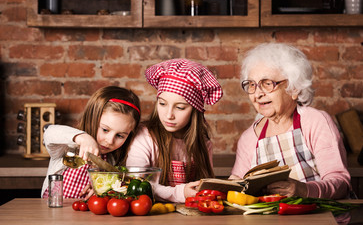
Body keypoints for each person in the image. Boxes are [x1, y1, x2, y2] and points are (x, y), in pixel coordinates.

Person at [230, 43, 351, 200]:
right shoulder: (248, 139)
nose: (258, 94)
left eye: (267, 84)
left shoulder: (315, 122)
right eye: (252, 85)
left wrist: (304, 190)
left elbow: (341, 183)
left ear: (294, 88)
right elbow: (238, 184)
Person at [126, 58, 223, 203]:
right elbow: (135, 183)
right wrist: (181, 192)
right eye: (163, 103)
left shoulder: (203, 143)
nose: (169, 115)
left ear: (195, 110)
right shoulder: (144, 136)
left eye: (180, 107)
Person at [41, 86, 141, 199]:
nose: (110, 140)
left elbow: (117, 188)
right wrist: (83, 138)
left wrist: (102, 190)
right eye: (105, 130)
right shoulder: (67, 147)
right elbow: (49, 132)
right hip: (53, 210)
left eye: (120, 135)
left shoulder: (111, 162)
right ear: (91, 119)